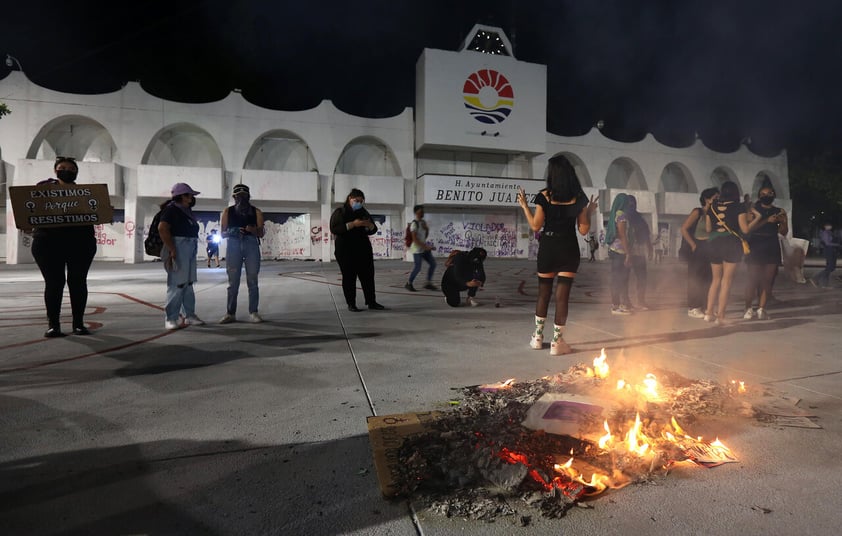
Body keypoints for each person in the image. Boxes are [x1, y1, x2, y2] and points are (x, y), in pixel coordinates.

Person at [517, 155, 598, 355]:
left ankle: (537, 338)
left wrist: (525, 207)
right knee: (562, 298)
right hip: (569, 248)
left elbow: (536, 226)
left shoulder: (544, 196)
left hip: (548, 247)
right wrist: (589, 211)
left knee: (543, 294)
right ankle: (557, 343)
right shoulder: (579, 197)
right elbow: (584, 230)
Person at [31, 157, 98, 337]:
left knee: (77, 282)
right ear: (55, 171)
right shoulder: (44, 188)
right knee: (54, 283)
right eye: (62, 168)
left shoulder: (85, 194)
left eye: (70, 168)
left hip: (80, 243)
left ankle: (78, 324)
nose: (66, 170)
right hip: (48, 243)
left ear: (76, 172)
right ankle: (54, 325)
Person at [704, 181, 765, 325]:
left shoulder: (712, 206)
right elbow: (744, 229)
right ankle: (721, 316)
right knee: (726, 281)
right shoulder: (738, 207)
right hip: (731, 244)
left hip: (714, 244)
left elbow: (708, 229)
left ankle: (709, 313)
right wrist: (757, 219)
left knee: (715, 280)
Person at [329, 188, 385, 311]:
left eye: (361, 201)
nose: (358, 203)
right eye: (356, 200)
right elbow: (334, 228)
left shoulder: (363, 212)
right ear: (350, 198)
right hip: (346, 251)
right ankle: (351, 304)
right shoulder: (340, 212)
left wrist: (369, 225)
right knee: (349, 277)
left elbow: (373, 229)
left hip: (363, 250)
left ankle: (371, 302)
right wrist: (353, 224)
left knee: (368, 277)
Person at [158, 183, 205, 330]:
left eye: (191, 195)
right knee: (177, 284)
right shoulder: (171, 210)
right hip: (179, 246)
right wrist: (172, 248)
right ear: (180, 196)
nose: (191, 197)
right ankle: (171, 317)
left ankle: (189, 315)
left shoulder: (187, 211)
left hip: (190, 247)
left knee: (189, 283)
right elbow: (162, 228)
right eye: (188, 195)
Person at [219, 184, 265, 324]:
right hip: (233, 244)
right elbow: (222, 233)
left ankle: (254, 312)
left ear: (248, 197)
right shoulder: (228, 211)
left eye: (244, 196)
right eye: (239, 196)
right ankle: (230, 313)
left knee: (252, 280)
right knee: (233, 281)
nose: (241, 199)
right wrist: (232, 231)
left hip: (251, 244)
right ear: (234, 197)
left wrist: (253, 230)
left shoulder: (256, 211)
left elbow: (261, 233)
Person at [743, 186, 788, 319]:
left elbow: (784, 232)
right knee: (752, 279)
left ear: (773, 195)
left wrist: (782, 221)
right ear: (759, 195)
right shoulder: (752, 209)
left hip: (772, 245)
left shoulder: (779, 211)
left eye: (769, 193)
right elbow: (748, 229)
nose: (766, 195)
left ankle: (762, 308)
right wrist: (766, 221)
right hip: (755, 245)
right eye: (763, 193)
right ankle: (748, 308)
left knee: (768, 281)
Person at [680, 187, 719, 318]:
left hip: (711, 247)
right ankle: (693, 307)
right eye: (715, 198)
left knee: (708, 278)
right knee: (695, 277)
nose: (717, 201)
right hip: (698, 247)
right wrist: (693, 244)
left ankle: (705, 305)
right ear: (707, 199)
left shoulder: (716, 213)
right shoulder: (698, 212)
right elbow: (684, 228)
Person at [605, 194, 633, 315]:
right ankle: (618, 305)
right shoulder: (621, 215)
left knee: (617, 278)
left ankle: (619, 304)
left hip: (614, 250)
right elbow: (623, 235)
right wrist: (628, 253)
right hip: (620, 251)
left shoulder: (615, 213)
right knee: (620, 279)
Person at [623, 195, 653, 310]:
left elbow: (646, 234)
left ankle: (640, 301)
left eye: (633, 204)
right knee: (624, 278)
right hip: (626, 251)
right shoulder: (623, 217)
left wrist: (650, 248)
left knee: (642, 277)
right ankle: (625, 301)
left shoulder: (640, 218)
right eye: (629, 204)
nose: (631, 206)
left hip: (639, 252)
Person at [404, 204, 437, 291]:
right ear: (416, 213)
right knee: (418, 267)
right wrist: (426, 247)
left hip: (423, 248)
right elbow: (415, 240)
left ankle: (428, 283)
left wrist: (427, 229)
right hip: (417, 249)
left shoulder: (423, 222)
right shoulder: (414, 224)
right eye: (420, 212)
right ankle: (409, 283)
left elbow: (424, 237)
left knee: (433, 264)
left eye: (423, 212)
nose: (422, 214)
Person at [811, 222, 839, 288]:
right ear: (825, 226)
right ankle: (816, 278)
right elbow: (827, 243)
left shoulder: (829, 232)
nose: (830, 226)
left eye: (830, 225)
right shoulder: (825, 233)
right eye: (828, 225)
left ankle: (824, 284)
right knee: (830, 267)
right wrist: (837, 245)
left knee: (831, 267)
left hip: (832, 250)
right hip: (828, 250)